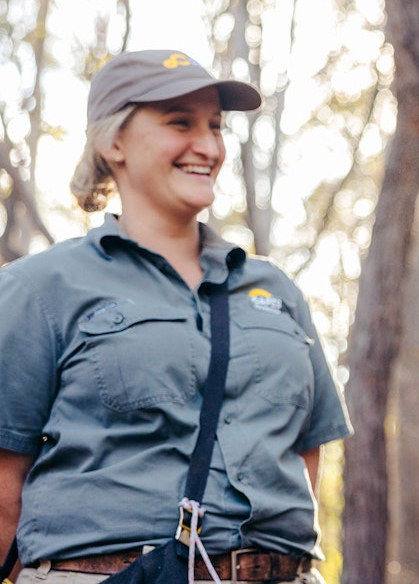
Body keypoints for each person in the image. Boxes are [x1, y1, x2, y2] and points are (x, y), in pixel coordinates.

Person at [0, 49, 352, 584]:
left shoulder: (276, 290)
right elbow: (5, 490)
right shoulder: (38, 289)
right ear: (112, 141)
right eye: (179, 123)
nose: (208, 146)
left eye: (215, 126)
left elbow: (305, 459)